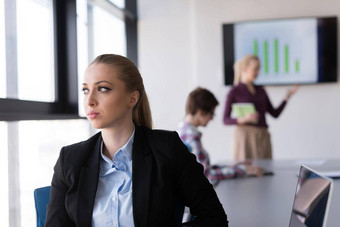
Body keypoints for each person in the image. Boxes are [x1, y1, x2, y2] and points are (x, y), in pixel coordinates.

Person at [45, 54, 228, 227]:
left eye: (103, 89)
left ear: (132, 98)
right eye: (85, 90)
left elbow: (214, 219)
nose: (89, 101)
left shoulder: (167, 149)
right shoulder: (69, 160)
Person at [177, 87, 263, 185]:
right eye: (212, 114)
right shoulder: (191, 138)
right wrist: (241, 170)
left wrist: (235, 167)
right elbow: (206, 175)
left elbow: (204, 168)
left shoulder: (182, 130)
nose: (211, 119)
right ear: (200, 112)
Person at [223, 55, 298, 161]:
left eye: (259, 68)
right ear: (244, 69)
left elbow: (275, 113)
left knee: (265, 171)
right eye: (256, 68)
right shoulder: (234, 91)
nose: (258, 72)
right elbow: (225, 120)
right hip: (244, 138)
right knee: (245, 172)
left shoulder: (261, 90)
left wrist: (287, 97)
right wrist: (244, 119)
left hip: (262, 136)